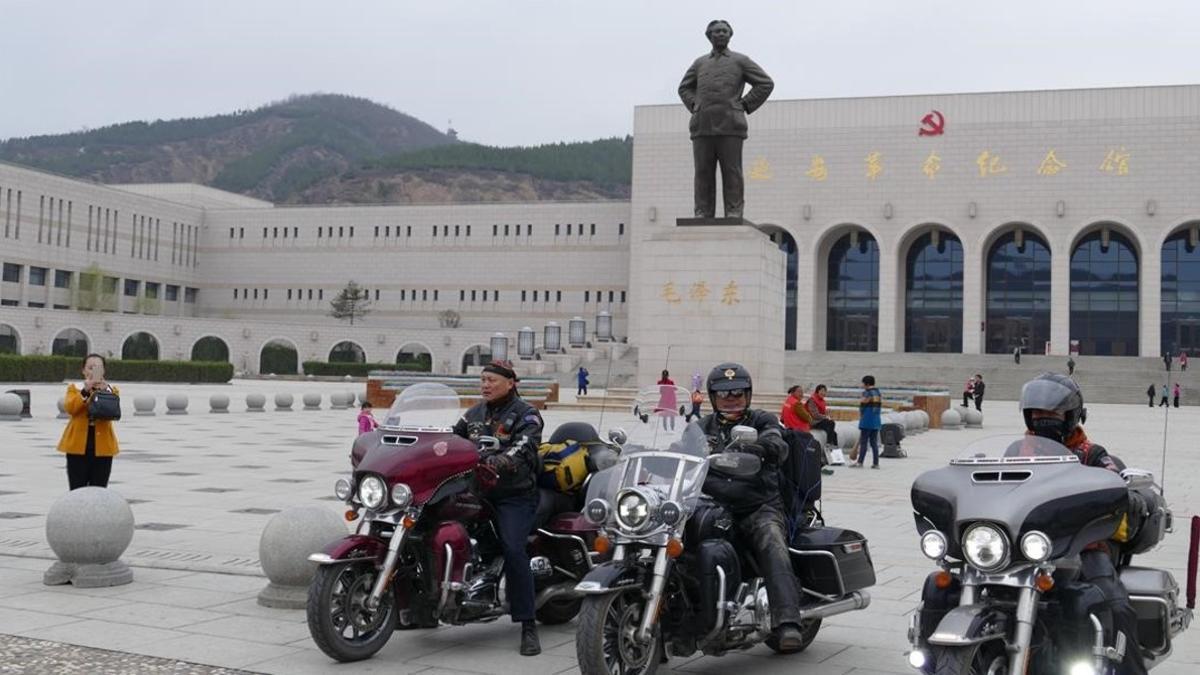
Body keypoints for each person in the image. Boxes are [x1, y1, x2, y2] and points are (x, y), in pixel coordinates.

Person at [1018, 373, 1148, 675]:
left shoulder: (1091, 454)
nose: (1043, 419)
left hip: (1083, 547)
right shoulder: (1015, 453)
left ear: (1071, 416)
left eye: (1052, 413)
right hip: (1026, 549)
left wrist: (1115, 492)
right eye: (1037, 413)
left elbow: (1115, 486)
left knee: (1116, 607)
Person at [697, 362, 805, 652]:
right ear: (712, 396)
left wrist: (762, 447)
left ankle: (788, 620)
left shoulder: (762, 420)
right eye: (723, 393)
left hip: (757, 504)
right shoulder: (701, 426)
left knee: (771, 541)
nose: (731, 398)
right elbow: (680, 449)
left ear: (748, 394)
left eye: (737, 392)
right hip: (709, 503)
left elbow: (777, 442)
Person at [451, 360, 544, 656]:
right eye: (483, 380)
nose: (485, 385)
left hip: (513, 495)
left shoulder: (527, 415)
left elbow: (524, 448)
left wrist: (499, 461)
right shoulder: (473, 414)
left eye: (491, 380)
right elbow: (451, 440)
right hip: (477, 492)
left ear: (510, 383)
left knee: (514, 549)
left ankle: (528, 624)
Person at [678, 20, 774, 219]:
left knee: (732, 171)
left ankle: (734, 211)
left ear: (730, 35)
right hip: (702, 125)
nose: (720, 34)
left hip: (730, 124)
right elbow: (684, 88)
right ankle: (702, 212)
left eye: (724, 31)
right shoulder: (699, 63)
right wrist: (695, 106)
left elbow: (765, 83)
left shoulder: (740, 61)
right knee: (702, 172)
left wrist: (744, 105)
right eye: (716, 32)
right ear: (709, 36)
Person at [58, 354, 120, 490]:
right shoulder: (75, 388)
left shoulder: (111, 390)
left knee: (99, 488)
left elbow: (112, 412)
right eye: (90, 367)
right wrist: (86, 391)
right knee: (77, 488)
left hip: (102, 445)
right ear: (83, 370)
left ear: (103, 371)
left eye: (98, 368)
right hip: (78, 445)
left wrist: (104, 391)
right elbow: (71, 408)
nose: (93, 371)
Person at [853, 375, 882, 469]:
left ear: (867, 384)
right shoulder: (878, 393)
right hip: (876, 420)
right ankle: (876, 463)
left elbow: (862, 406)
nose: (862, 385)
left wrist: (861, 415)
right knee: (874, 443)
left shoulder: (867, 393)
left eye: (863, 383)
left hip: (867, 420)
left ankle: (860, 462)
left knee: (864, 442)